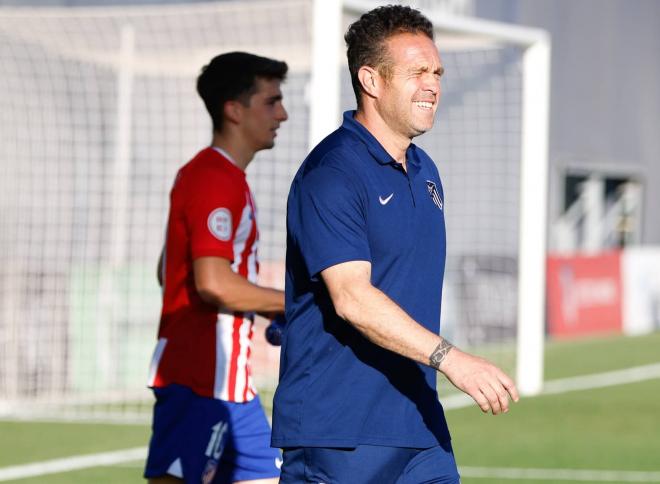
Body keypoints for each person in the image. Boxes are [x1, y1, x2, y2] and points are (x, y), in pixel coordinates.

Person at [272, 5, 519, 483]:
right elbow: (352, 299)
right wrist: (453, 359)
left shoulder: (427, 171)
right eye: (417, 72)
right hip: (339, 432)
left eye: (437, 72)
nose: (433, 85)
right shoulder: (332, 174)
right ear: (371, 79)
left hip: (419, 426)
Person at [144, 52, 288, 484]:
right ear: (234, 109)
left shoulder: (218, 177)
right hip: (199, 380)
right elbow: (211, 282)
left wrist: (267, 306)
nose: (282, 113)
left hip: (231, 387)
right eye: (271, 101)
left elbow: (168, 270)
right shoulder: (213, 178)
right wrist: (296, 303)